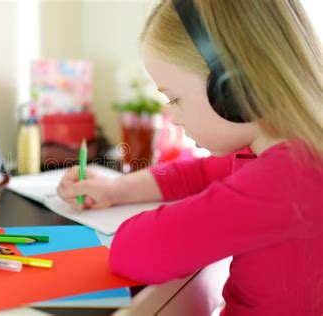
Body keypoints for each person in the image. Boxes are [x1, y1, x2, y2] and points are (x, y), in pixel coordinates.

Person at [57, 0, 322, 314]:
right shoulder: (296, 156)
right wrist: (117, 189)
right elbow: (199, 173)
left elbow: (136, 250)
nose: (173, 117)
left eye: (174, 99)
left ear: (233, 87)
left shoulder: (284, 181)